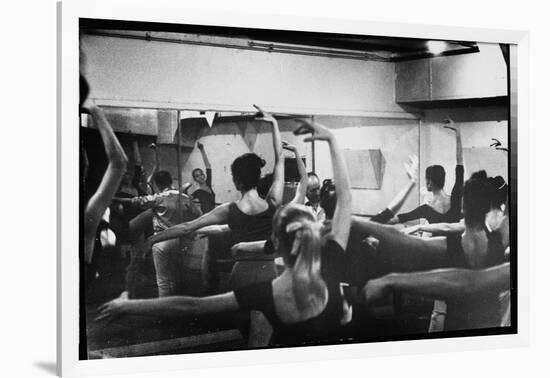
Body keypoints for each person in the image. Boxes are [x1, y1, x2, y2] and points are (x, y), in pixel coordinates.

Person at [96, 119, 353, 347]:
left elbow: (187, 237)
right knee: (263, 335)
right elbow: (338, 195)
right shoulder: (277, 207)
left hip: (243, 272)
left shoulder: (230, 210)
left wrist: (153, 239)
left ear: (237, 182)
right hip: (266, 271)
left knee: (248, 333)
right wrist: (278, 126)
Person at [113, 171, 202, 296]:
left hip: (161, 240)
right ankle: (171, 305)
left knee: (163, 280)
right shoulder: (186, 198)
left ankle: (164, 309)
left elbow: (134, 201)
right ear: (171, 181)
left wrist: (113, 198)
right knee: (172, 277)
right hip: (179, 239)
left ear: (157, 184)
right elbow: (198, 214)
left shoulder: (158, 198)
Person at [394, 119, 464, 224]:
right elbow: (460, 162)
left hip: (436, 241)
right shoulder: (456, 199)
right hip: (456, 240)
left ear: (429, 182)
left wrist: (374, 223)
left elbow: (401, 218)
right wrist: (458, 132)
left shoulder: (426, 209)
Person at [184, 142, 216, 213]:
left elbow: (208, 166)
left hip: (213, 215)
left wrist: (202, 149)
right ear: (195, 179)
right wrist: (187, 186)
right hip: (205, 217)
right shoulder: (198, 192)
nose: (200, 177)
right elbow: (186, 198)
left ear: (204, 175)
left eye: (201, 174)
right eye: (197, 176)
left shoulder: (208, 184)